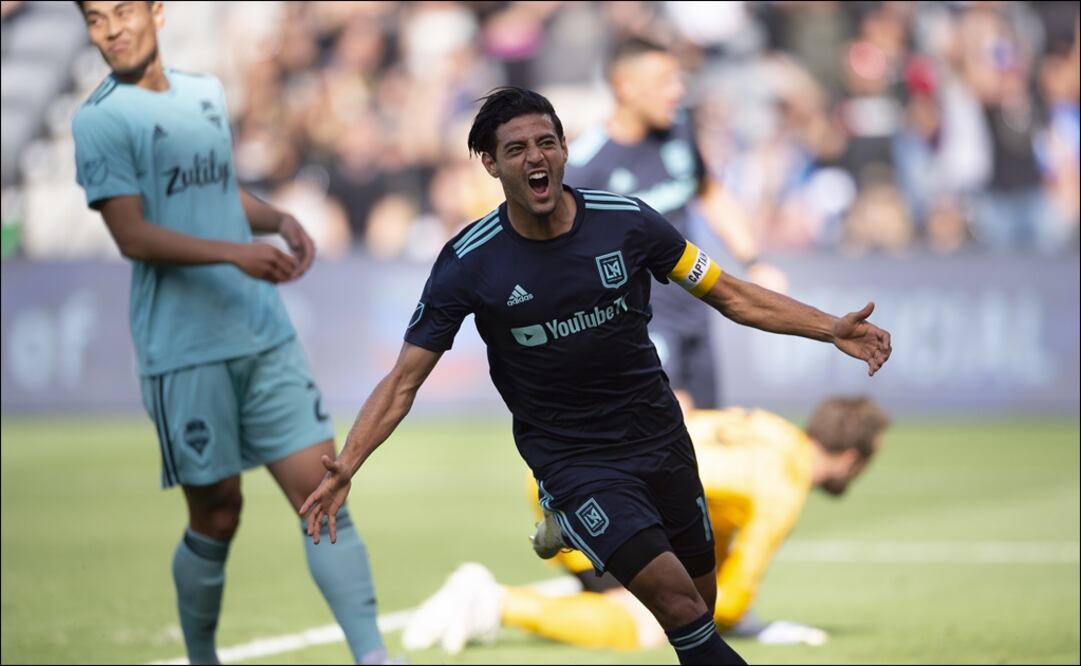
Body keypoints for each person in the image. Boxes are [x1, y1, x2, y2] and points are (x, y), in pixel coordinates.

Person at [300, 86, 891, 666]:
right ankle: (573, 515)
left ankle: (579, 532)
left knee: (698, 613)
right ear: (490, 164)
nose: (536, 157)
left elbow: (729, 294)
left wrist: (829, 328)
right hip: (574, 458)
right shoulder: (468, 262)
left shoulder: (627, 223)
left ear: (563, 150)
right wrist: (347, 464)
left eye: (547, 142)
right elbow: (403, 381)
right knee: (680, 607)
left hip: (660, 438)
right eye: (516, 149)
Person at [71, 3, 389, 664]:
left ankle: (374, 657)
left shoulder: (204, 95)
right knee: (218, 514)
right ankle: (202, 658)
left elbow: (216, 192)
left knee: (323, 492)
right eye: (96, 18)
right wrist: (233, 252)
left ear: (157, 12)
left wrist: (274, 218)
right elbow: (132, 234)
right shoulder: (99, 121)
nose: (112, 29)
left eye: (123, 11)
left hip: (262, 332)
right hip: (183, 348)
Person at [400, 396, 891, 655]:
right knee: (655, 625)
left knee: (687, 558)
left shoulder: (768, 424)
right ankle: (495, 602)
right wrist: (744, 622)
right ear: (850, 458)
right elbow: (732, 600)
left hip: (570, 466)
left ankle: (580, 588)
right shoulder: (786, 483)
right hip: (595, 496)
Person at [565, 37, 787, 412]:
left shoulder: (680, 131)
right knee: (672, 424)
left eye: (678, 80)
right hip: (638, 323)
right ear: (625, 87)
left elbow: (708, 190)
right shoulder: (586, 166)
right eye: (665, 81)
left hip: (695, 306)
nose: (678, 91)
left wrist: (753, 260)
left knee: (707, 430)